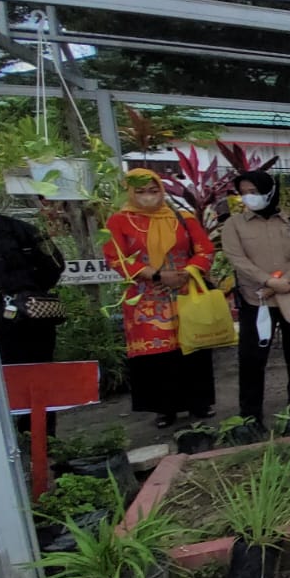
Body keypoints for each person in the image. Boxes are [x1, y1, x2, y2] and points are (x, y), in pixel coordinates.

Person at [102, 169, 216, 427]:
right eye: (140, 192)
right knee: (157, 355)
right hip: (145, 297)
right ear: (130, 192)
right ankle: (164, 408)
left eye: (153, 191)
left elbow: (205, 249)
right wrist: (155, 276)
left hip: (185, 290)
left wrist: (186, 272)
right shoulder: (119, 222)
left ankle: (199, 402)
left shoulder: (182, 217)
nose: (148, 197)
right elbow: (116, 258)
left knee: (193, 346)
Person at [221, 170, 290, 425]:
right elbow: (237, 259)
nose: (249, 197)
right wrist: (269, 282)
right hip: (256, 299)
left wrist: (288, 281)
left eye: (254, 192)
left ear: (269, 191)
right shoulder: (234, 225)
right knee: (252, 358)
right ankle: (250, 418)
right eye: (244, 193)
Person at [0, 168, 66, 367]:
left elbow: (53, 265)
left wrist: (23, 290)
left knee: (30, 381)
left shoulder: (17, 230)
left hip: (21, 322)